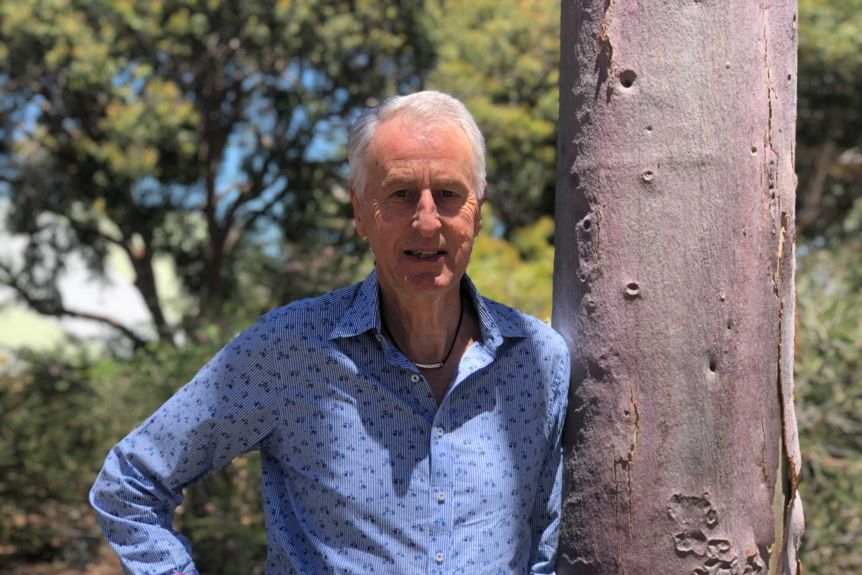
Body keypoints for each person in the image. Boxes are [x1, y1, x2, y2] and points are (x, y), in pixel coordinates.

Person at [90, 90, 570, 574]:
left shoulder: (537, 360)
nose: (427, 222)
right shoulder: (290, 348)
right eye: (401, 195)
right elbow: (129, 484)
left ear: (479, 208)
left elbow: (547, 553)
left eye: (448, 194)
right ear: (360, 211)